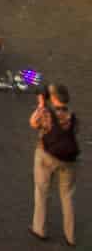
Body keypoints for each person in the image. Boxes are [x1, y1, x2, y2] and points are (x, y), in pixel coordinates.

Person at [31, 82, 79, 245]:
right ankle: (70, 236)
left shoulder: (47, 113)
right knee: (67, 197)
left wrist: (41, 105)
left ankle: (40, 229)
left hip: (46, 157)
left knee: (42, 191)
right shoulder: (72, 115)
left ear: (54, 98)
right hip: (68, 161)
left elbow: (33, 123)